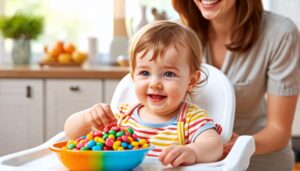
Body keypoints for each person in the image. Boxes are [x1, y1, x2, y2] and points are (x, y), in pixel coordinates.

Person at [64, 20, 223, 167]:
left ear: (191, 81)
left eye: (168, 74)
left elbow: (214, 145)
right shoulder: (122, 115)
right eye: (145, 73)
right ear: (133, 76)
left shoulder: (190, 119)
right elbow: (70, 133)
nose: (154, 83)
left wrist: (193, 152)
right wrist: (86, 118)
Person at [172, 0, 300, 170]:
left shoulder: (280, 33)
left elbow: (278, 131)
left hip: (260, 161)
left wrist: (237, 146)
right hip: (193, 164)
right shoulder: (174, 34)